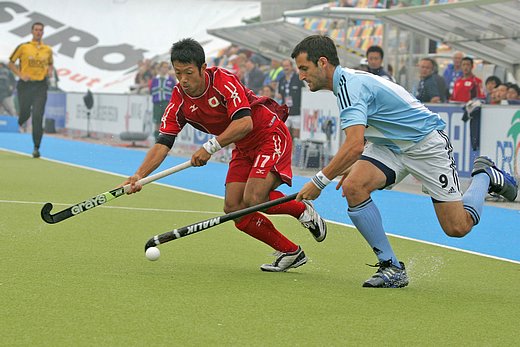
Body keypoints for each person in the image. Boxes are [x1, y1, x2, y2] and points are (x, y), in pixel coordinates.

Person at [290, 35, 518, 288]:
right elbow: (368, 133)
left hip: (425, 145)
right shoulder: (345, 83)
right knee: (354, 186)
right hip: (389, 145)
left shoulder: (349, 86)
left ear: (322, 63)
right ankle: (392, 267)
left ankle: (484, 175)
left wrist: (319, 181)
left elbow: (353, 145)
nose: (301, 75)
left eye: (304, 68)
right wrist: (354, 165)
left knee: (457, 227)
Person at [121, 38, 327, 272]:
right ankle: (290, 251)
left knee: (254, 198)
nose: (184, 80)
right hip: (242, 146)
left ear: (202, 67)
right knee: (233, 208)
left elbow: (245, 123)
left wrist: (209, 148)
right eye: (178, 73)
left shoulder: (223, 81)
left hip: (269, 135)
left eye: (189, 72)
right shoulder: (179, 98)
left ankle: (302, 209)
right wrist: (139, 175)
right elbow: (163, 143)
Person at [8, 22, 53, 158]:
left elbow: (50, 64)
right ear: (32, 32)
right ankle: (22, 119)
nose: (38, 32)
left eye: (41, 30)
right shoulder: (24, 47)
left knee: (38, 115)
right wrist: (20, 74)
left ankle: (36, 147)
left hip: (40, 86)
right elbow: (10, 62)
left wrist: (49, 72)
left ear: (43, 33)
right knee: (25, 112)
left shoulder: (47, 50)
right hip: (25, 85)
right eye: (36, 30)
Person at [277, 59, 305, 139]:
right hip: (286, 112)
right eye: (284, 66)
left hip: (297, 112)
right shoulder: (281, 80)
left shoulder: (298, 78)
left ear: (291, 67)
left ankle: (297, 151)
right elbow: (280, 95)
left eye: (287, 66)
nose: (286, 68)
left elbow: (304, 91)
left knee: (297, 136)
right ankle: (289, 151)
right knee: (286, 135)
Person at [150, 61, 177, 140]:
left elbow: (175, 90)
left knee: (166, 122)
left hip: (167, 103)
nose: (165, 69)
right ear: (160, 68)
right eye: (164, 67)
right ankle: (156, 139)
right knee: (157, 121)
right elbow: (151, 90)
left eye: (167, 68)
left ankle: (165, 140)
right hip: (157, 103)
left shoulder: (171, 80)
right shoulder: (155, 79)